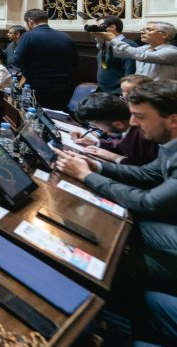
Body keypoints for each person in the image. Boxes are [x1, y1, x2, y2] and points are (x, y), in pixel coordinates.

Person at [54, 80, 177, 293]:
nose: (133, 123)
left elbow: (147, 202)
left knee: (110, 262)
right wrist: (97, 166)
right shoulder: (170, 142)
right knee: (121, 233)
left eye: (140, 117)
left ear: (173, 120)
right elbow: (146, 173)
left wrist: (86, 176)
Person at [12, 9, 79, 109]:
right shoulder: (66, 36)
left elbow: (16, 61)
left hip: (37, 89)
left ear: (30, 22)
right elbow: (75, 62)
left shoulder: (28, 36)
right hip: (62, 88)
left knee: (37, 119)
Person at [72, 93, 158, 167]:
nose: (97, 129)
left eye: (95, 125)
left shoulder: (145, 135)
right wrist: (96, 143)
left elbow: (142, 169)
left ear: (118, 124)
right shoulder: (129, 126)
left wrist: (113, 157)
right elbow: (124, 145)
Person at [95, 22, 177, 82]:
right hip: (140, 93)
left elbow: (142, 56)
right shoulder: (145, 48)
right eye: (142, 30)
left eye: (149, 30)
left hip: (160, 96)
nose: (142, 32)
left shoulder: (172, 51)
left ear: (164, 34)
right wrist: (100, 38)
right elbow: (114, 53)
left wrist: (114, 39)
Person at [93, 15, 139, 94]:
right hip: (103, 92)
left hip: (117, 93)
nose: (96, 31)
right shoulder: (105, 44)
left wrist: (122, 93)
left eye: (99, 27)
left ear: (112, 27)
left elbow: (130, 73)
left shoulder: (128, 45)